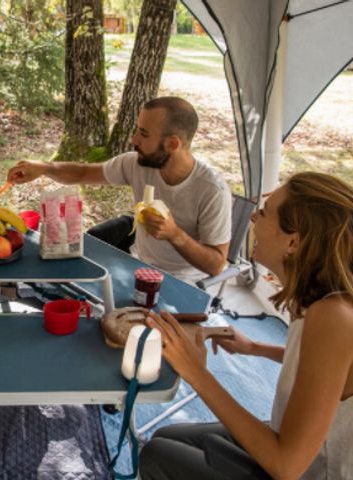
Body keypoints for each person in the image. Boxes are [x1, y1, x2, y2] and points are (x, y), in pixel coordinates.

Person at [139, 172, 353, 479]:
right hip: (291, 440)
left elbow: (287, 466)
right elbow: (324, 372)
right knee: (167, 436)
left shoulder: (334, 315)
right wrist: (254, 347)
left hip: (310, 468)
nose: (253, 216)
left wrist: (196, 372)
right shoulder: (315, 294)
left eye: (264, 213)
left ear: (293, 242)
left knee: (156, 454)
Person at [7, 96, 231, 283]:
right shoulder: (136, 163)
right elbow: (83, 173)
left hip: (183, 283)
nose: (133, 139)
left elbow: (217, 265)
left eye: (144, 134)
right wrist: (45, 168)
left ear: (172, 144)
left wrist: (175, 235)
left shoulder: (212, 191)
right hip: (137, 265)